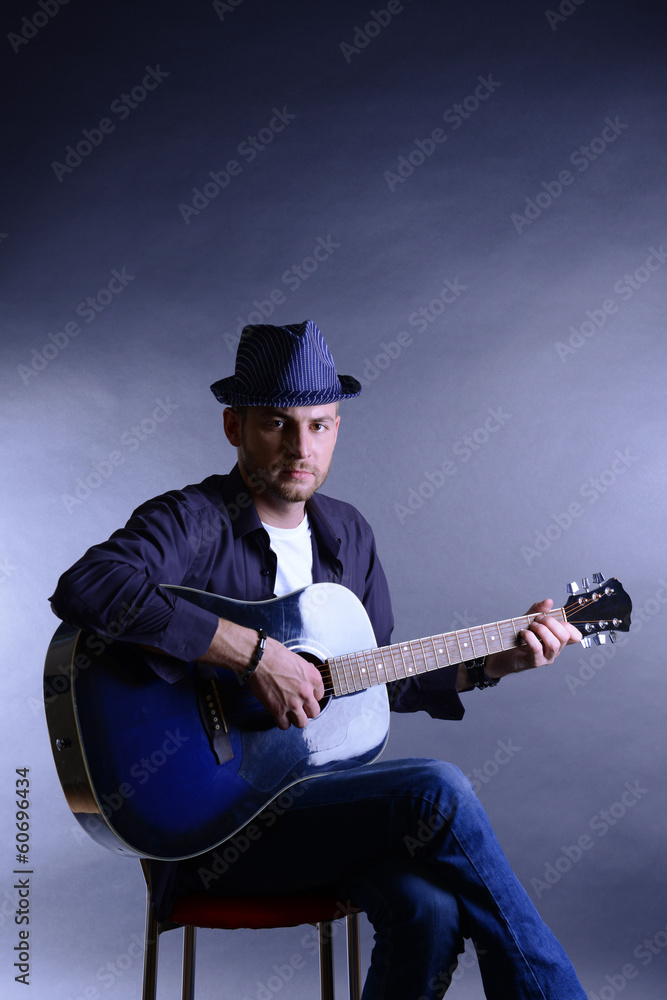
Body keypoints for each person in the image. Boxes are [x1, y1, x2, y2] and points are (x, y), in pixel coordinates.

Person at [50, 320, 587, 999]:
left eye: (321, 425)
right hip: (207, 832)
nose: (301, 447)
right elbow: (88, 586)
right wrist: (251, 653)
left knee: (429, 907)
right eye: (277, 423)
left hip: (317, 813)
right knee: (436, 788)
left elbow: (374, 680)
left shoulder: (347, 534)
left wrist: (488, 665)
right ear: (233, 427)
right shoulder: (190, 520)